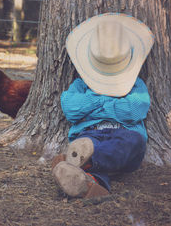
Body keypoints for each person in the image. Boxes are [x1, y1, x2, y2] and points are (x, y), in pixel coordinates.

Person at [52, 13, 154, 198]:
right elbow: (71, 108)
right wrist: (112, 100)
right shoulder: (81, 84)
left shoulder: (135, 84)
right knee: (89, 147)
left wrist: (95, 102)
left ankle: (82, 161)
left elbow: (135, 110)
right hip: (90, 135)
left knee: (134, 142)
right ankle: (91, 184)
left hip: (124, 133)